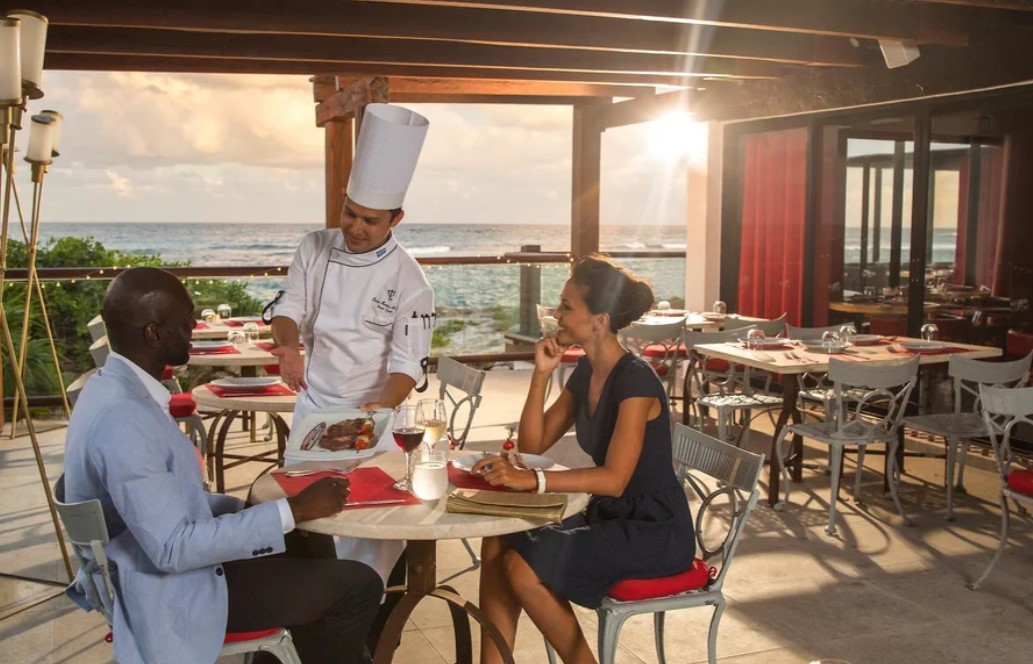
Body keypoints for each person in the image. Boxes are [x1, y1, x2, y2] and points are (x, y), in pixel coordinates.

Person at [62, 267, 382, 664]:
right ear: (154, 334)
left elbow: (166, 503)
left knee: (307, 535)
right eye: (185, 319)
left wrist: (263, 511)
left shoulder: (111, 386)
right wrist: (292, 508)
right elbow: (172, 549)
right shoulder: (124, 418)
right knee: (359, 585)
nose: (194, 324)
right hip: (171, 590)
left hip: (154, 562)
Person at [472, 255, 697, 664]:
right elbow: (533, 445)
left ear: (599, 320)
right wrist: (541, 373)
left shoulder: (636, 380)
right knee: (500, 537)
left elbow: (614, 479)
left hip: (654, 530)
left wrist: (534, 483)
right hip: (612, 515)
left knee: (524, 570)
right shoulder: (586, 371)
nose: (556, 314)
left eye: (566, 307)